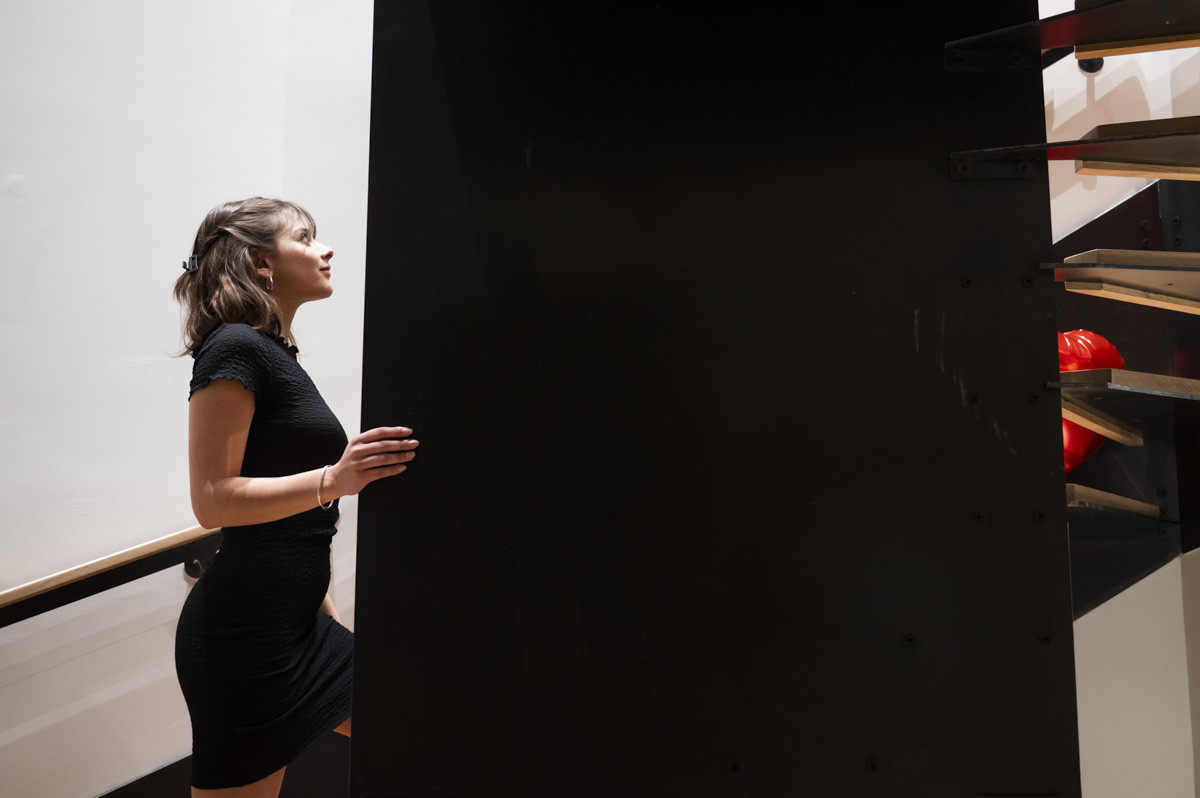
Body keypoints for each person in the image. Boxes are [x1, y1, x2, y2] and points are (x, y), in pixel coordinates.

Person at [171, 197, 417, 797]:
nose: (325, 249)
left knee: (423, 730)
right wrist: (335, 478)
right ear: (261, 262)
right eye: (305, 238)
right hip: (243, 643)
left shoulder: (274, 352)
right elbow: (213, 499)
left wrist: (322, 609)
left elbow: (295, 525)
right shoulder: (232, 347)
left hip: (300, 626)